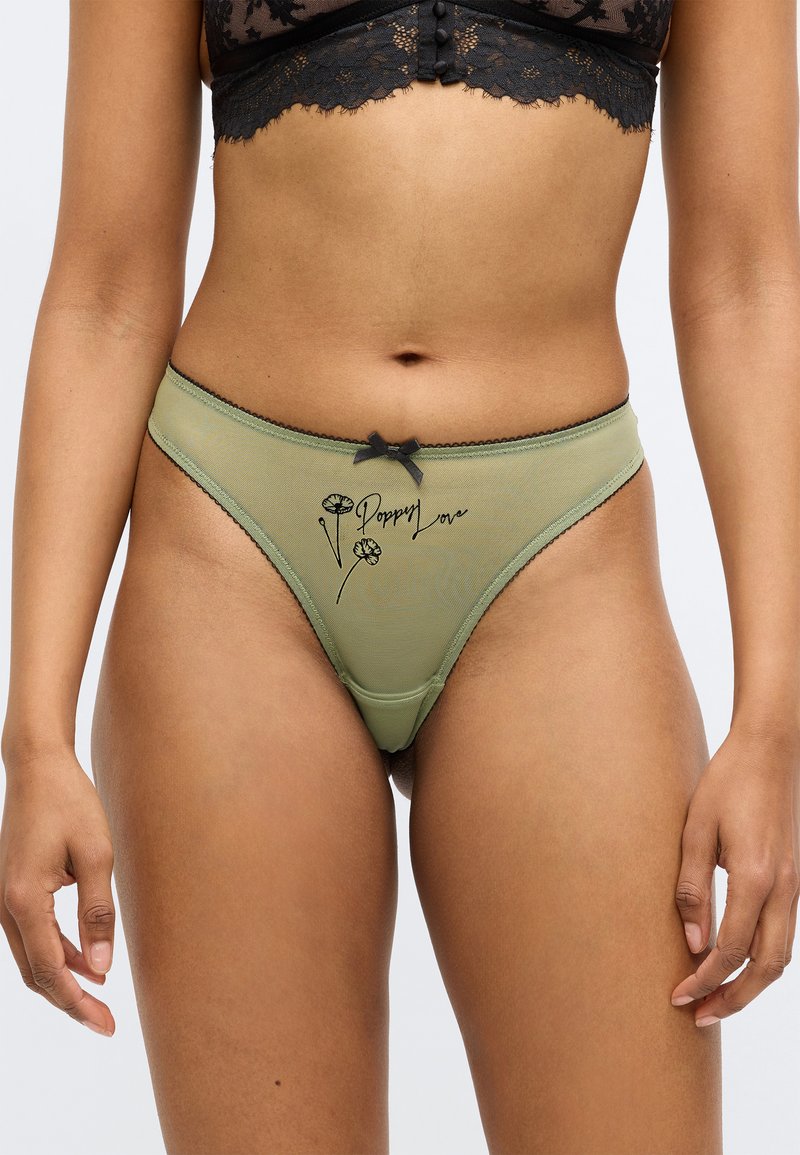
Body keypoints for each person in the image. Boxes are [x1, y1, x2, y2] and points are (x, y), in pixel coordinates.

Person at [1, 1, 798, 1151]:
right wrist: (34, 736)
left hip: (555, 560)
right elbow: (105, 289)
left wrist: (770, 716)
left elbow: (746, 279)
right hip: (234, 557)